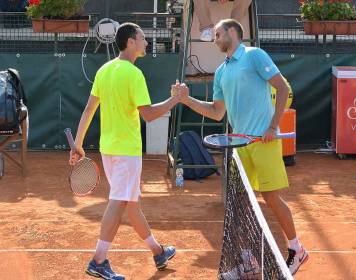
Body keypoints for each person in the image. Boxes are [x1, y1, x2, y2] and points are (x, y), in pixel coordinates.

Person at [173, 19, 308, 276]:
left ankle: (296, 250)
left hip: (263, 142)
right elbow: (215, 112)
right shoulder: (222, 71)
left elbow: (282, 87)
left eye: (217, 34)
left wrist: (272, 126)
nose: (214, 39)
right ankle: (249, 259)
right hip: (239, 145)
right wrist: (185, 99)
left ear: (232, 32)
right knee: (241, 204)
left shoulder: (254, 55)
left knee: (271, 197)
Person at [70, 22, 185, 280]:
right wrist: (175, 99)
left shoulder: (104, 70)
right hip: (126, 150)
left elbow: (89, 109)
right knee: (120, 200)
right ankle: (99, 260)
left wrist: (79, 143)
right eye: (143, 38)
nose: (146, 42)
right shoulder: (134, 74)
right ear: (131, 42)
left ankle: (158, 252)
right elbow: (149, 115)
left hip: (109, 149)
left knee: (130, 202)